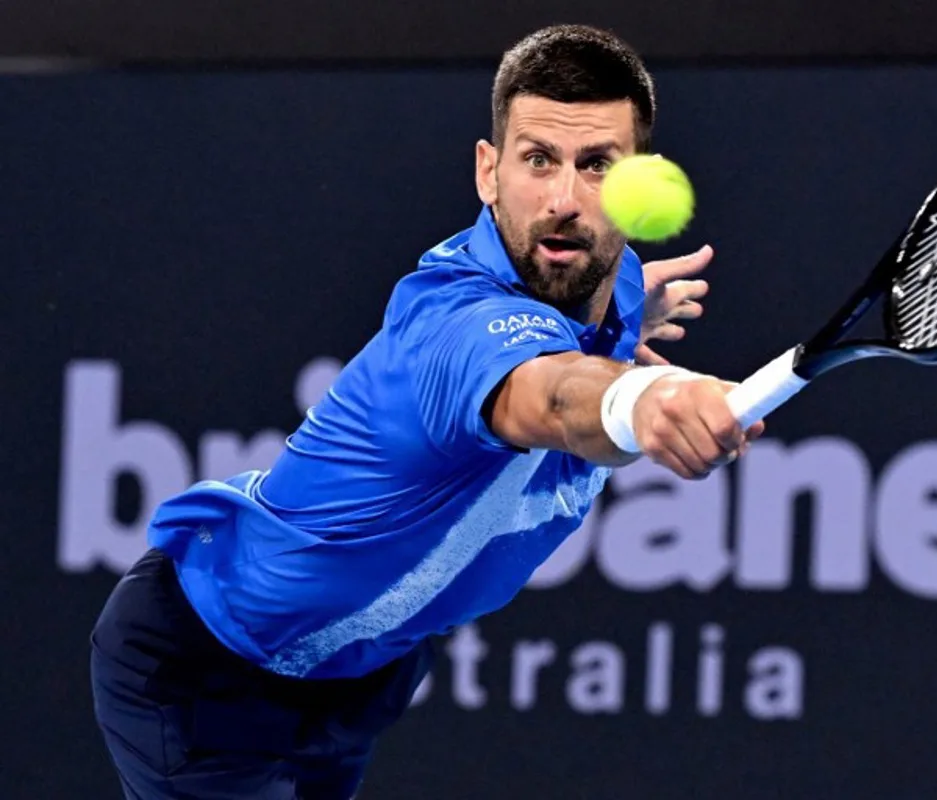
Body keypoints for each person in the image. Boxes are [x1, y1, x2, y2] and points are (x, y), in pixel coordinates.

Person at [89, 23, 764, 800]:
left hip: (359, 677)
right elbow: (548, 396)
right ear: (489, 171)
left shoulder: (603, 286)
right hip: (206, 674)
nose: (564, 201)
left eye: (598, 167)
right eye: (537, 159)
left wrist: (625, 326)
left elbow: (576, 338)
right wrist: (644, 396)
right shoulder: (456, 321)